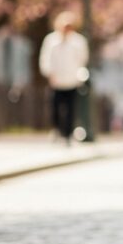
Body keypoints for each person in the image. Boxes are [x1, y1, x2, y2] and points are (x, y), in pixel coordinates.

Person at [39, 11, 88, 144]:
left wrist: (79, 75)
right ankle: (56, 130)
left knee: (71, 108)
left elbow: (82, 59)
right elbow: (45, 58)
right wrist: (49, 73)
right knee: (55, 107)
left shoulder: (78, 41)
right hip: (56, 80)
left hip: (71, 80)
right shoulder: (51, 40)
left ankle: (68, 134)